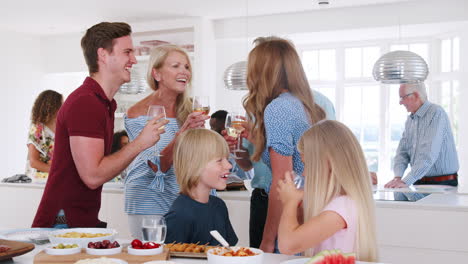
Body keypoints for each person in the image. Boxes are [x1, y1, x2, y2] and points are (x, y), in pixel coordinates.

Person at [32, 22, 167, 228]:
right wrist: (140, 143)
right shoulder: (85, 103)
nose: (133, 59)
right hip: (63, 222)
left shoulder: (103, 103)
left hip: (76, 219)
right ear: (103, 55)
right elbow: (93, 176)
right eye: (127, 52)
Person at [242, 37, 327, 253]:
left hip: (292, 218)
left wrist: (268, 240)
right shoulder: (307, 106)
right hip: (312, 213)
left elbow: (283, 182)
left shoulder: (277, 109)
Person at [124, 44, 209, 239]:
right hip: (149, 200)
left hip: (186, 199)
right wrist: (182, 133)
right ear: (157, 74)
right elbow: (156, 165)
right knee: (154, 258)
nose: (184, 72)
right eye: (176, 66)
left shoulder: (191, 110)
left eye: (187, 67)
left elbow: (198, 159)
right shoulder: (138, 113)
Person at [277, 120, 378, 262]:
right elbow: (300, 231)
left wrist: (290, 203)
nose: (304, 173)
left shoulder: (341, 207)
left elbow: (288, 245)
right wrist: (297, 203)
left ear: (328, 162)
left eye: (307, 164)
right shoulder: (340, 203)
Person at [164, 128, 238, 245]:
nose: (229, 165)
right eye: (219, 160)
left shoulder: (219, 206)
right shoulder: (179, 215)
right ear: (194, 165)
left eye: (227, 159)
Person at [384, 82, 459, 188]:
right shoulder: (411, 120)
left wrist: (406, 181)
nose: (400, 103)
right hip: (419, 181)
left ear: (415, 96)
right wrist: (398, 177)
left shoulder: (436, 113)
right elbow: (402, 152)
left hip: (442, 184)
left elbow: (428, 153)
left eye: (402, 98)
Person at [25, 90, 63, 181]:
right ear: (52, 106)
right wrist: (59, 171)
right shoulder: (37, 129)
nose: (64, 107)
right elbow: (33, 162)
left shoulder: (61, 127)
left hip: (56, 178)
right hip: (38, 181)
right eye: (61, 104)